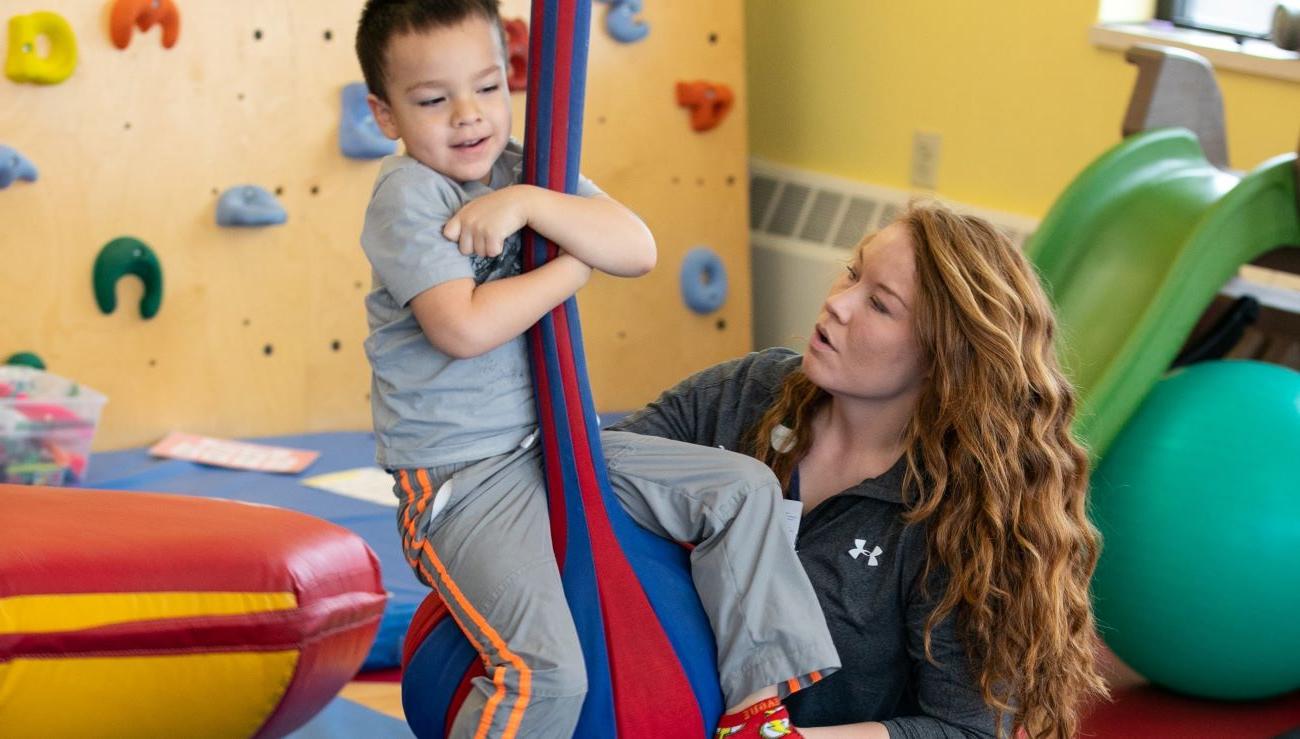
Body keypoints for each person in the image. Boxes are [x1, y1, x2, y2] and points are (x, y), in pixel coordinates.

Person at [354, 1, 839, 737]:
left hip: (558, 444)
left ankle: (753, 708)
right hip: (463, 478)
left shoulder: (526, 174)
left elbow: (636, 247)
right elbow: (463, 326)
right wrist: (573, 265)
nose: (468, 115)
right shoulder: (408, 196)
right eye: (432, 99)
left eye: (487, 88)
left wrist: (528, 202)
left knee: (743, 489)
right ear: (385, 115)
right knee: (544, 671)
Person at [614, 202, 1109, 738]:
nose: (837, 304)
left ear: (941, 357)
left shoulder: (962, 516)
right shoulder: (742, 397)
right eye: (852, 272)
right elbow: (593, 478)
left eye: (879, 304)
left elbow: (965, 730)